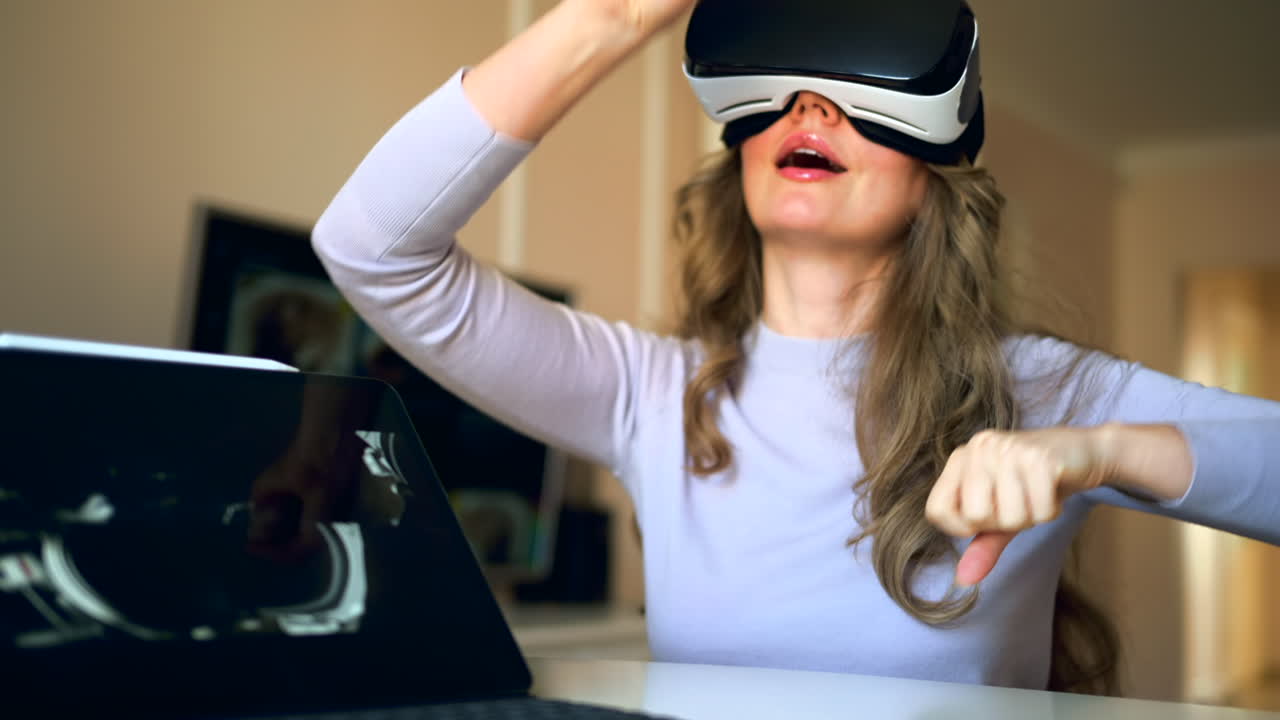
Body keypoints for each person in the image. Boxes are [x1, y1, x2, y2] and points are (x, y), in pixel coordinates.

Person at [311, 0, 1280, 696]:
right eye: (781, 87)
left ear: (939, 169)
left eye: (857, 87)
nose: (809, 107)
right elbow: (373, 248)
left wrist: (1104, 450)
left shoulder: (1038, 389)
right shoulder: (647, 391)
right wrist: (610, 17)